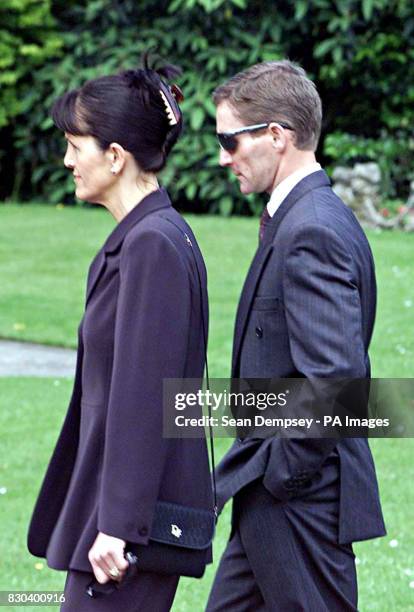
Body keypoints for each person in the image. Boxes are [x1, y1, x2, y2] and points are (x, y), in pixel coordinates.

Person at [27, 56, 213, 611]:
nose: (66, 161)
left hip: (121, 536)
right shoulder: (146, 236)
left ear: (115, 155)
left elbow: (145, 395)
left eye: (75, 146)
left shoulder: (152, 244)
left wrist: (119, 527)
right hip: (111, 516)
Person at [206, 60, 386, 611]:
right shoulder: (306, 218)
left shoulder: (311, 229)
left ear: (277, 136)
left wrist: (283, 476)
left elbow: (334, 381)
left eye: (230, 141)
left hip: (301, 502)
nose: (222, 158)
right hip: (274, 493)